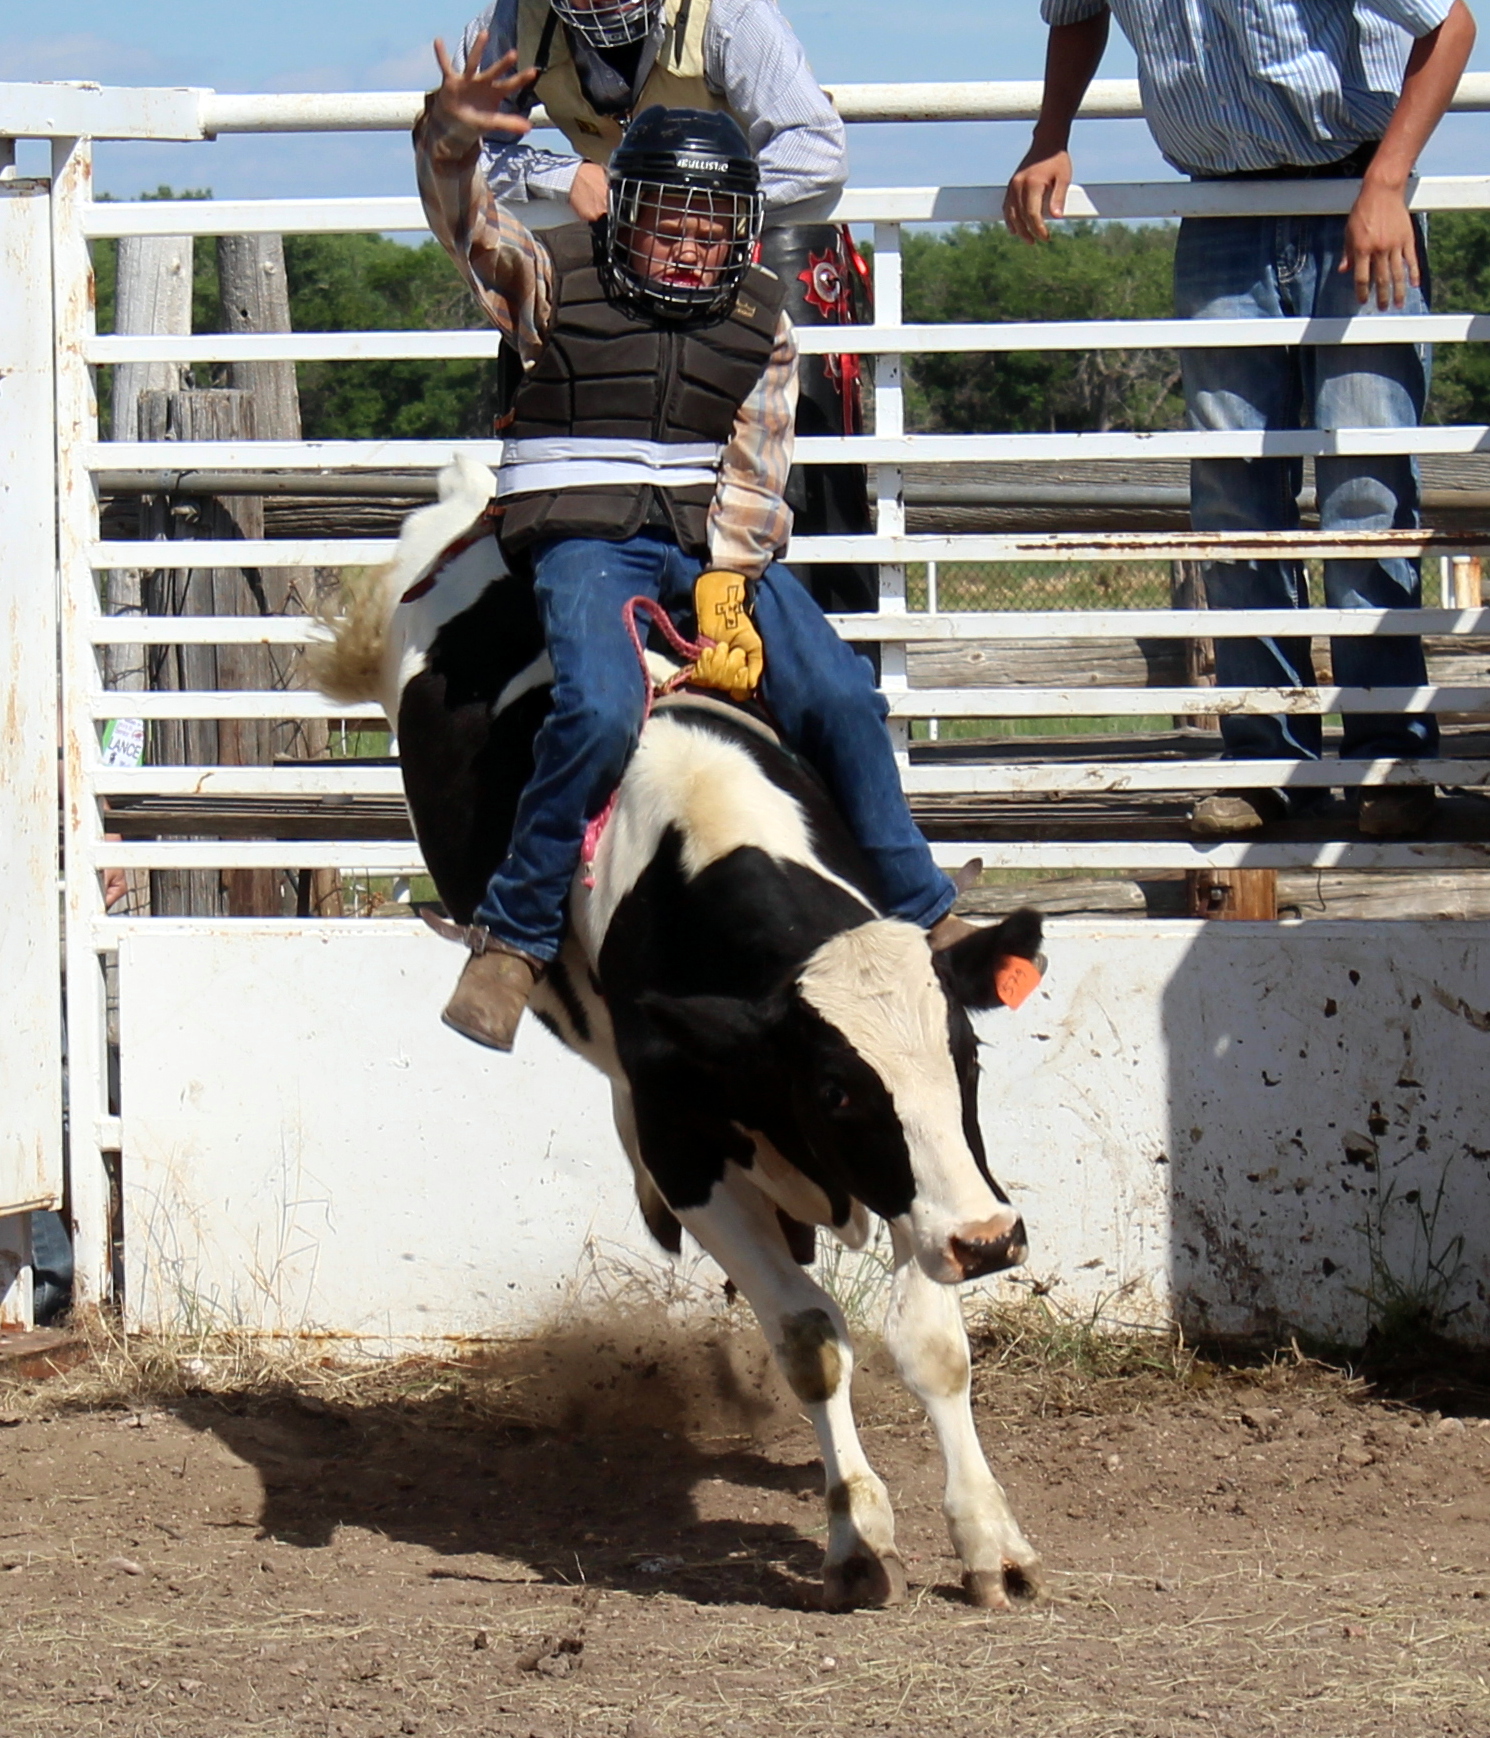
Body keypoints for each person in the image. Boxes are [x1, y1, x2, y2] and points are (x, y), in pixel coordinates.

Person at [415, 46, 965, 1050]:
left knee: (840, 694)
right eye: (668, 217)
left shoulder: (763, 321)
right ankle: (513, 935)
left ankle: (922, 909)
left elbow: (757, 471)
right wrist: (450, 137)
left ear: (742, 229)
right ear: (622, 211)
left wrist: (729, 577)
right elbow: (468, 227)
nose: (687, 245)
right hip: (585, 542)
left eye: (710, 225)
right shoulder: (550, 277)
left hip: (704, 549)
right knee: (596, 705)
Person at [1004, 0, 1477, 838]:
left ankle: (1391, 759)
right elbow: (1076, 13)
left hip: (1353, 190)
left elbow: (1450, 24)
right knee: (1234, 498)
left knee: (1363, 492)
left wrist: (1386, 182)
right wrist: (1049, 137)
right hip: (1220, 206)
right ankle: (1266, 761)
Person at [459, 0, 880, 624]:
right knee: (552, 412)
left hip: (749, 247)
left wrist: (690, 205)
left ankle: (820, 647)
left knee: (805, 479)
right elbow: (465, 147)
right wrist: (562, 173)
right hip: (616, 254)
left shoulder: (728, 12)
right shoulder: (512, 20)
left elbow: (816, 146)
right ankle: (560, 650)